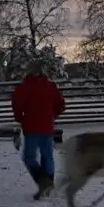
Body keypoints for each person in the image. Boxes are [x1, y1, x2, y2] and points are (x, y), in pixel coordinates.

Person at [11, 59, 65, 199]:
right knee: (47, 156)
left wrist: (21, 118)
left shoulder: (23, 87)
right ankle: (49, 183)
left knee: (29, 157)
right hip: (47, 127)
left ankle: (43, 182)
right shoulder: (50, 86)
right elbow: (60, 105)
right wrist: (51, 116)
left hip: (31, 128)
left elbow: (17, 106)